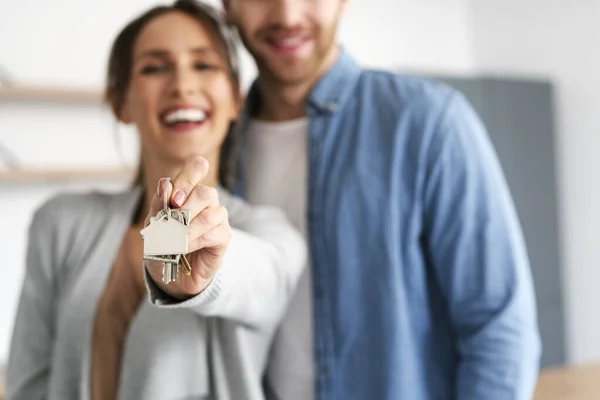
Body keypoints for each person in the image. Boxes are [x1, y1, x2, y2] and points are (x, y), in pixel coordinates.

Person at [223, 0, 542, 399]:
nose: (287, 15)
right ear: (227, 5)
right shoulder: (219, 145)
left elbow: (499, 327)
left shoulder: (428, 123)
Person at [6, 1, 306, 400]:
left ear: (236, 98)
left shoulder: (271, 234)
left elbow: (261, 278)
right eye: (154, 67)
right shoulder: (60, 223)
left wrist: (198, 275)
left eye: (204, 65)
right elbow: (29, 384)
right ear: (121, 103)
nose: (182, 85)